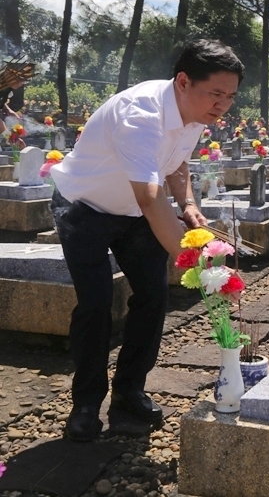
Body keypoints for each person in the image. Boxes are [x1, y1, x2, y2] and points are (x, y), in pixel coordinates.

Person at [50, 39, 245, 442]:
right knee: (97, 302)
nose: (222, 105)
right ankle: (86, 403)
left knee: (154, 296)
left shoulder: (193, 114)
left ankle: (129, 389)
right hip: (84, 206)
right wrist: (204, 272)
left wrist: (189, 205)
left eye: (230, 96)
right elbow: (150, 195)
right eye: (216, 94)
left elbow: (175, 165)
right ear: (184, 81)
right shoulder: (140, 113)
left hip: (134, 213)